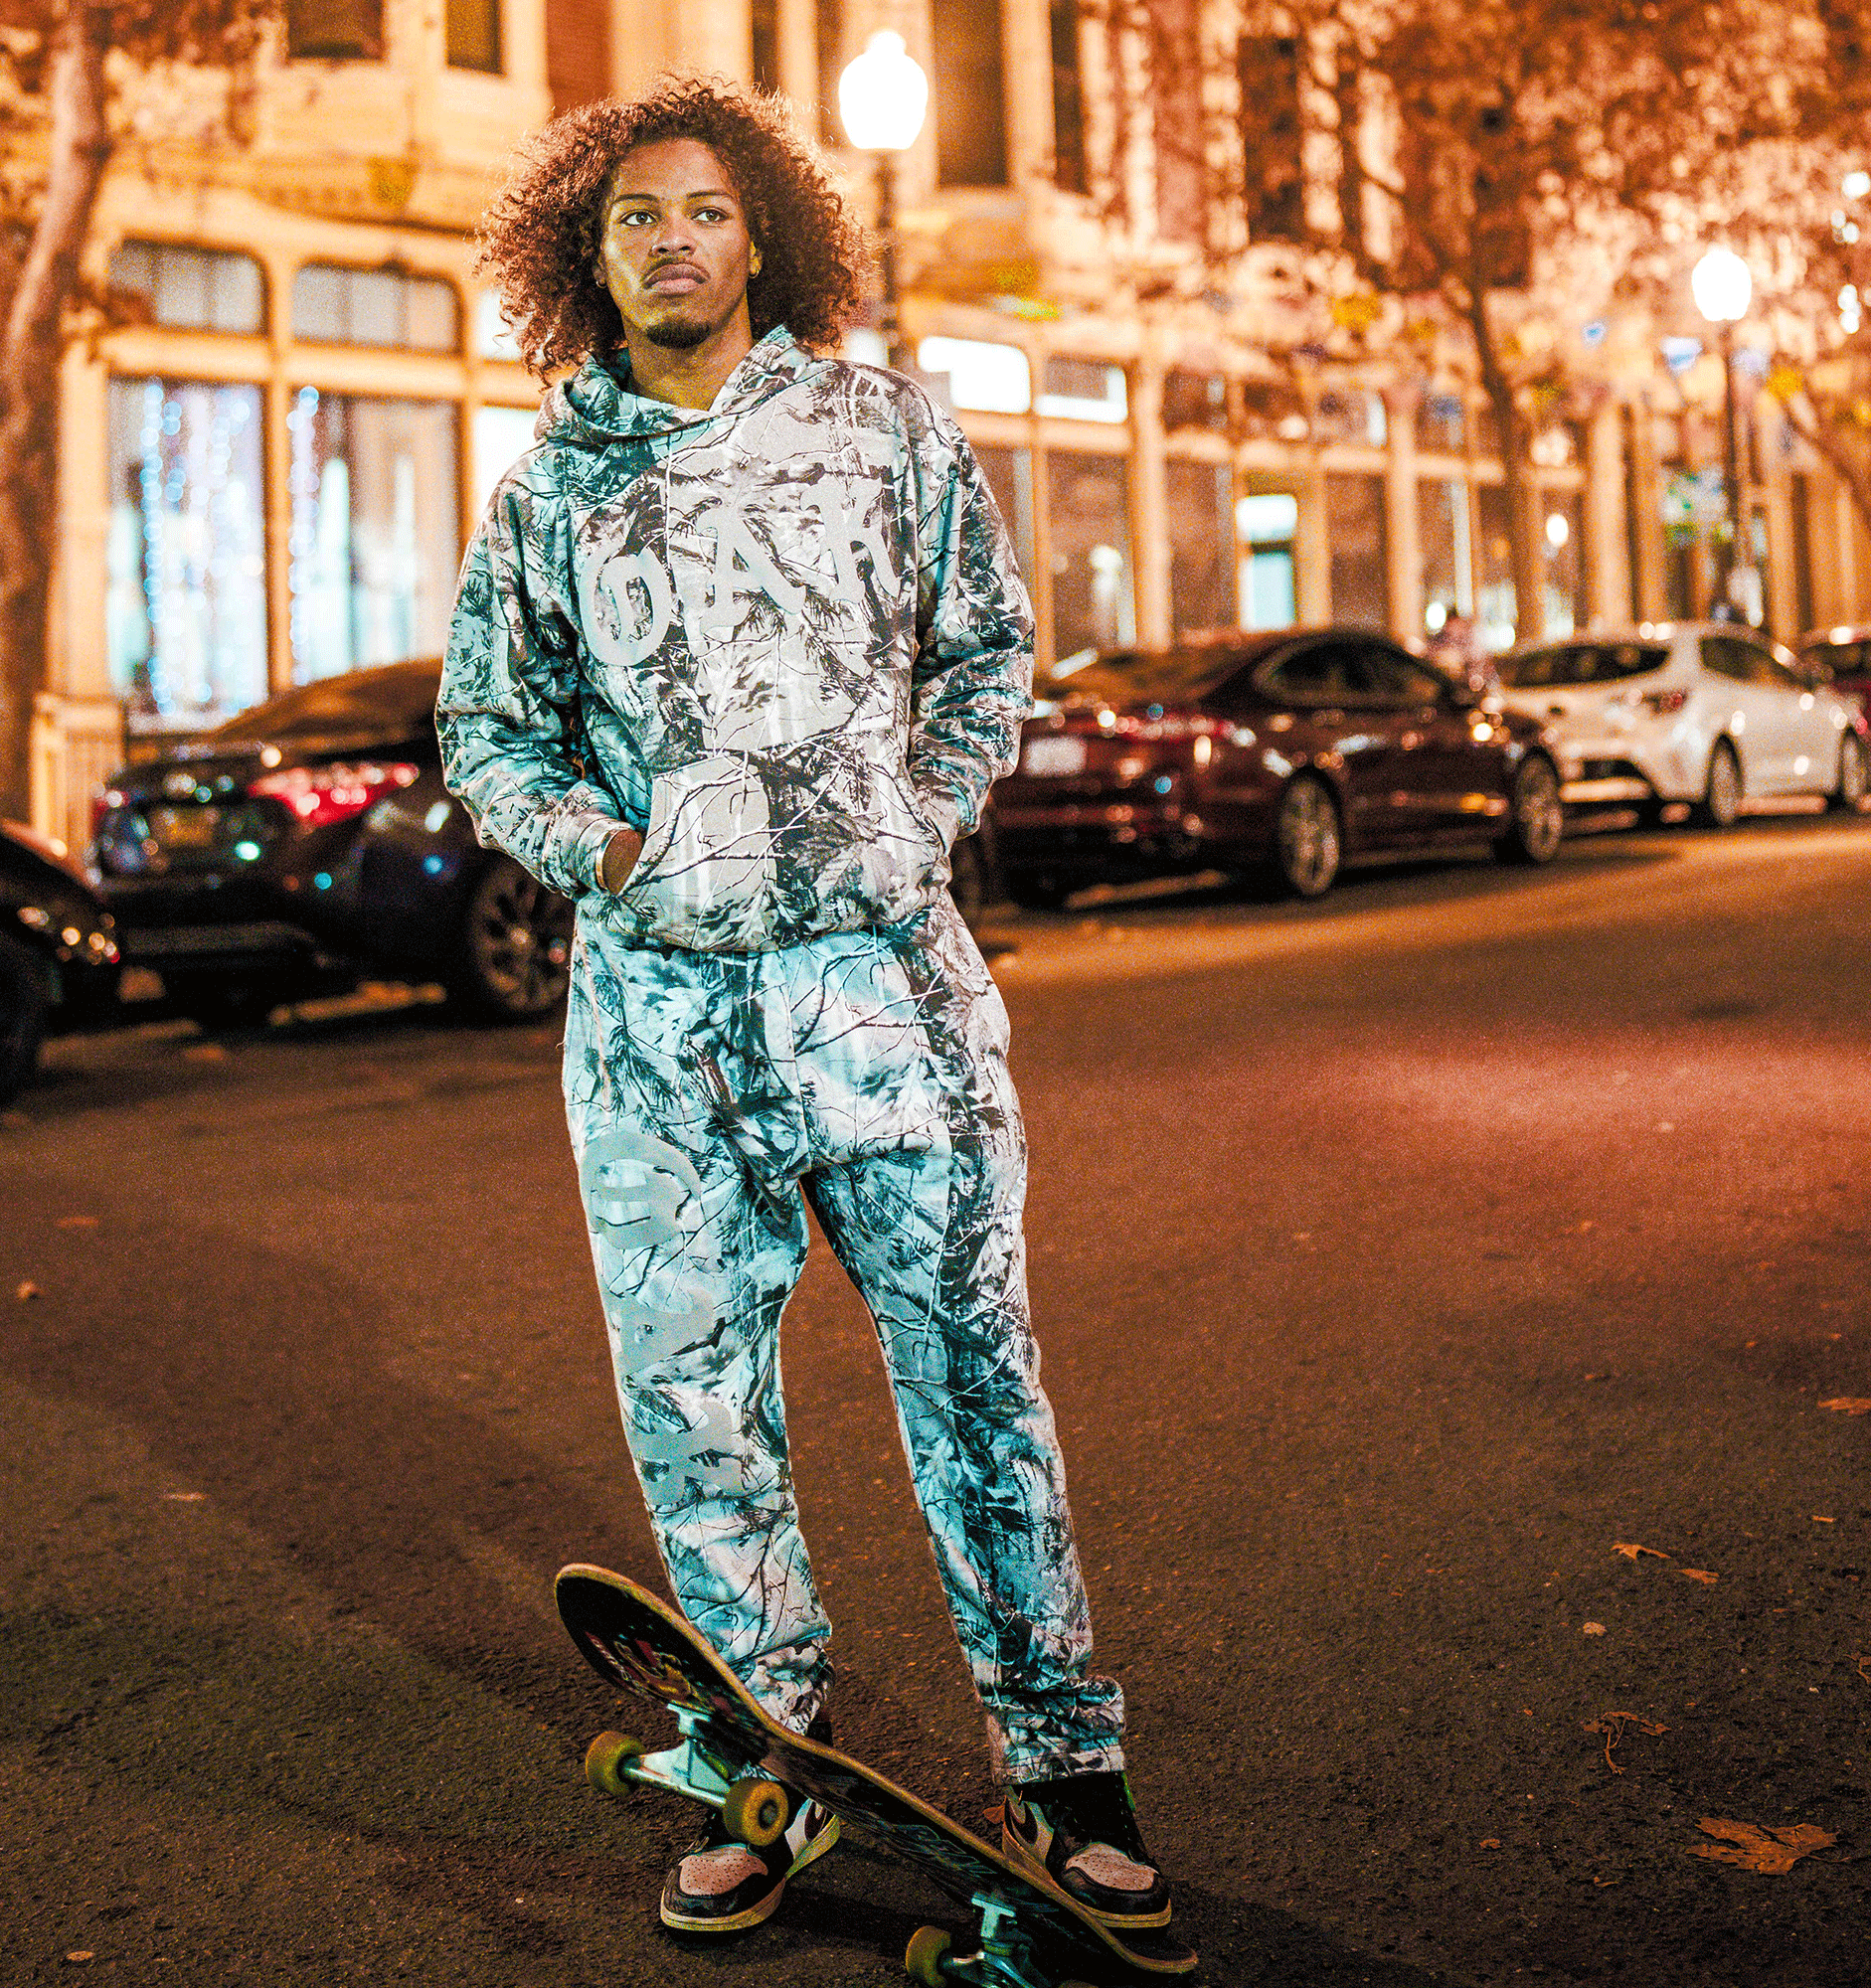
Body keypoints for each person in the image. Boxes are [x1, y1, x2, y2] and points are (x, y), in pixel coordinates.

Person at [436, 77, 1171, 1942]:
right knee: (697, 1411)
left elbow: (990, 643)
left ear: (760, 232)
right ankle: (768, 1757)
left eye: (699, 210)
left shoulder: (883, 427)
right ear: (585, 257)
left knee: (976, 1383)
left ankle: (1067, 1770)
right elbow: (487, 729)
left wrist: (913, 821)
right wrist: (610, 860)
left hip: (885, 1007)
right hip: (659, 1035)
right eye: (630, 218)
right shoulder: (550, 488)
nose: (668, 240)